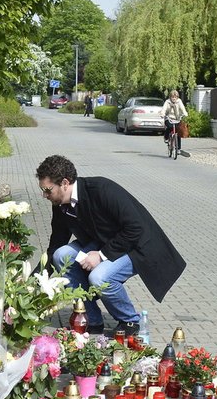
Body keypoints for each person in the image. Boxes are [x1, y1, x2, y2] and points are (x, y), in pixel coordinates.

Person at [38, 155, 186, 336]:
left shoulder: (101, 189)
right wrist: (33, 282)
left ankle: (130, 321)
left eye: (47, 190)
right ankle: (90, 319)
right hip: (104, 242)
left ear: (65, 183)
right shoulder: (60, 204)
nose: (44, 195)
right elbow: (55, 245)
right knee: (62, 255)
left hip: (137, 246)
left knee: (99, 277)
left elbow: (136, 228)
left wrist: (100, 256)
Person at [162, 90, 188, 156]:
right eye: (172, 97)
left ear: (177, 97)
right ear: (170, 97)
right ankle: (166, 137)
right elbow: (164, 109)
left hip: (177, 119)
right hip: (169, 118)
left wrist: (185, 114)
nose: (174, 98)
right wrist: (162, 114)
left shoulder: (179, 102)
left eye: (175, 97)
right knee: (170, 127)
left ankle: (178, 149)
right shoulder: (167, 102)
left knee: (178, 132)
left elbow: (183, 108)